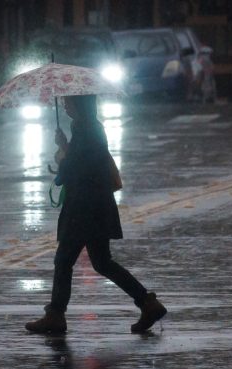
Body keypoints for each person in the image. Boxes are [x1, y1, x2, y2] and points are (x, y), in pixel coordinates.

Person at [25, 94, 166, 334]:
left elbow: (80, 168)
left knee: (64, 260)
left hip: (85, 207)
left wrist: (64, 156)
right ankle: (147, 303)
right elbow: (81, 163)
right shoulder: (86, 127)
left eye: (69, 101)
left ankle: (56, 315)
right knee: (101, 262)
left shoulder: (88, 130)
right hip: (93, 206)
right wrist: (66, 148)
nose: (65, 104)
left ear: (80, 104)